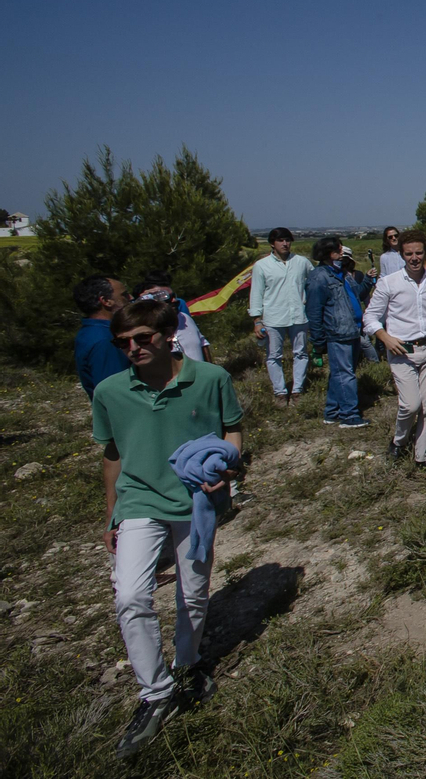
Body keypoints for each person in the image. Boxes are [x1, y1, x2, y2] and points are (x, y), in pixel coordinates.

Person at [94, 298, 242, 758]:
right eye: (124, 343)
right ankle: (155, 693)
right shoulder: (110, 391)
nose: (134, 348)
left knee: (193, 592)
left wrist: (230, 468)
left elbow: (233, 430)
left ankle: (188, 663)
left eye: (143, 338)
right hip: (138, 500)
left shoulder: (212, 379)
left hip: (195, 501)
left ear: (168, 334)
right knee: (131, 595)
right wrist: (111, 514)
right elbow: (113, 454)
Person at [363, 230, 426, 472]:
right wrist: (384, 337)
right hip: (401, 350)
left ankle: (422, 457)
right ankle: (399, 441)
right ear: (401, 254)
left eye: (419, 253)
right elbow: (370, 318)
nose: (414, 258)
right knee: (410, 405)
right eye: (409, 254)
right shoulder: (388, 283)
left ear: (425, 253)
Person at [305, 236, 373, 429]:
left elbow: (358, 293)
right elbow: (314, 311)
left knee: (340, 374)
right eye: (338, 250)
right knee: (345, 375)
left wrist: (368, 280)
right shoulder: (319, 277)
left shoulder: (342, 273)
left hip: (352, 330)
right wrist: (318, 341)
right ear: (327, 253)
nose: (342, 252)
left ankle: (332, 412)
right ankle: (349, 415)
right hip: (337, 333)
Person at [248, 228, 314, 405]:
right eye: (280, 240)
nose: (285, 244)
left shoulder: (301, 262)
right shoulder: (262, 266)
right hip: (273, 317)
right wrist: (257, 319)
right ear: (272, 243)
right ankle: (280, 392)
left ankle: (297, 390)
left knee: (301, 353)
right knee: (273, 356)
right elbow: (256, 293)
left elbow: (313, 282)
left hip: (299, 316)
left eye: (287, 240)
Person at [73, 274, 131, 398]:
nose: (130, 298)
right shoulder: (104, 340)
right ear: (106, 301)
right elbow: (115, 392)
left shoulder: (91, 332)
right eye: (124, 295)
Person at [131, 279, 211, 363]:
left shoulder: (185, 318)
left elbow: (203, 344)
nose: (174, 301)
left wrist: (212, 370)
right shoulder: (141, 330)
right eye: (165, 297)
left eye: (173, 296)